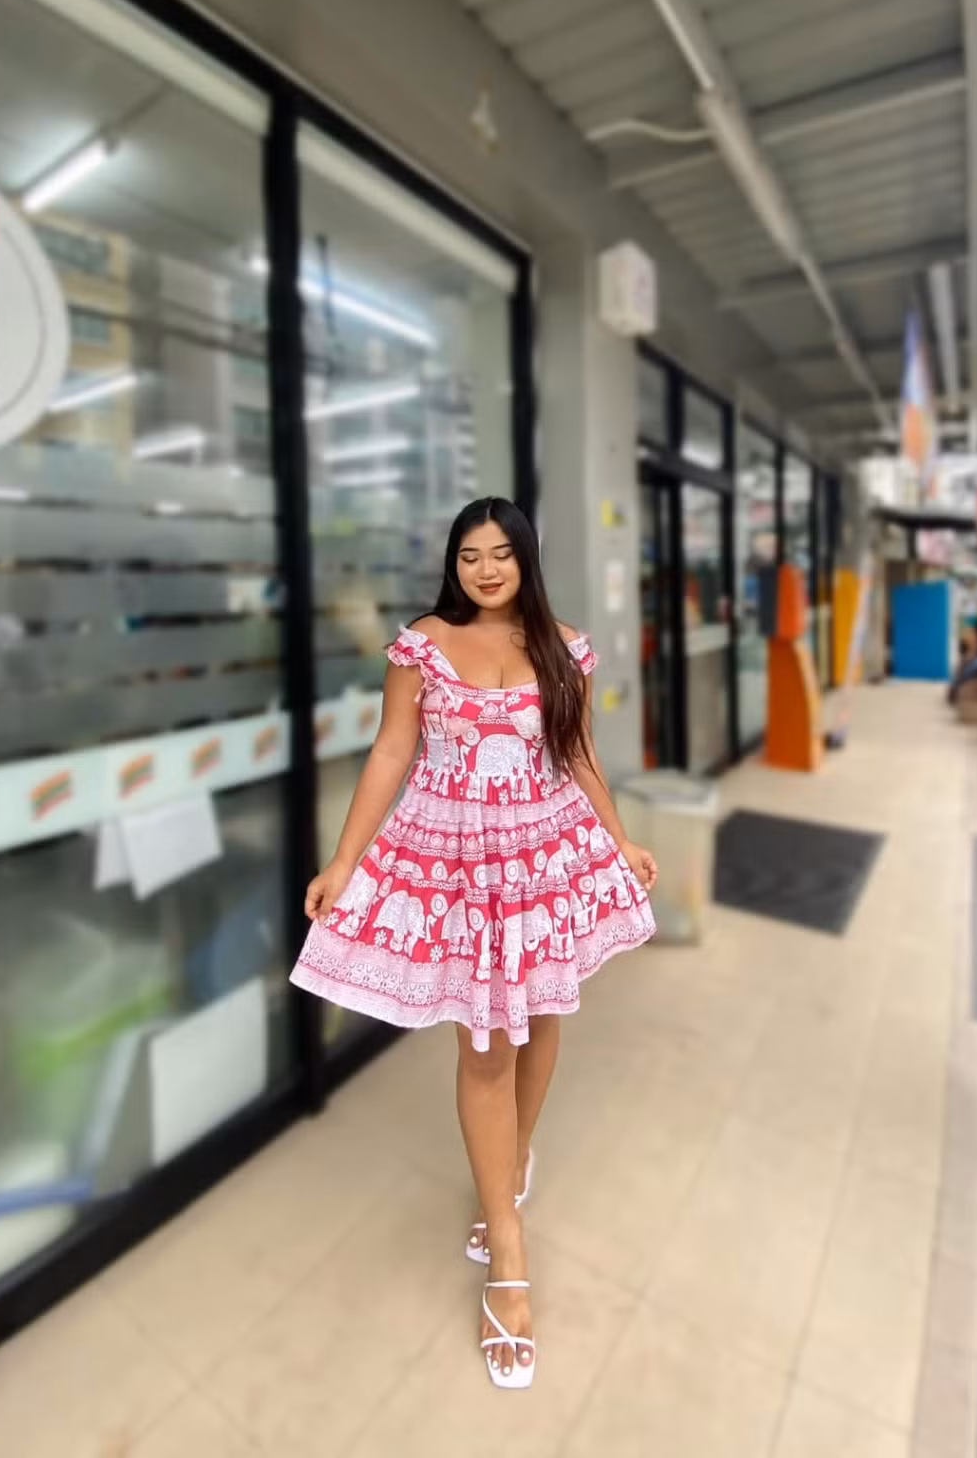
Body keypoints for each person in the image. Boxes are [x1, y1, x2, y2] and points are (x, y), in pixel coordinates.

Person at [291, 497, 658, 1386]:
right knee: (486, 1046)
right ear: (452, 565)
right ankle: (508, 1246)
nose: (486, 570)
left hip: (542, 853)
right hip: (454, 862)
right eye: (469, 556)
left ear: (525, 557)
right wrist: (344, 859)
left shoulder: (563, 647)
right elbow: (390, 753)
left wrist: (619, 838)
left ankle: (511, 1161)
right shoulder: (422, 645)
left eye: (500, 553)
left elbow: (577, 755)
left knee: (544, 1012)